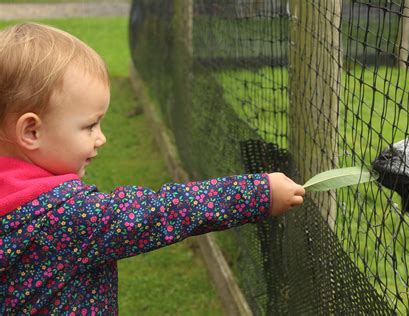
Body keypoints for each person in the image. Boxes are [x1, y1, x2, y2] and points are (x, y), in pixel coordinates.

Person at [0, 22, 305, 314]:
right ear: (31, 132)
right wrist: (258, 194)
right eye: (90, 126)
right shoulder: (66, 217)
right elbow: (161, 212)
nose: (101, 138)